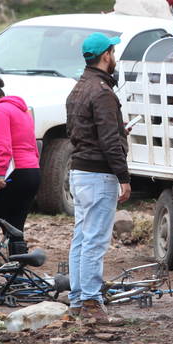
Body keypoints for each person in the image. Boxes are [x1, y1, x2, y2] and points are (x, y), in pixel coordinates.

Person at [65, 33, 131, 322]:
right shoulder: (102, 92)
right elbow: (106, 140)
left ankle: (78, 299)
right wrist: (124, 177)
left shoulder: (78, 88)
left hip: (79, 171)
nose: (114, 57)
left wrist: (116, 131)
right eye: (113, 52)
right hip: (98, 175)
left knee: (81, 237)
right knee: (95, 240)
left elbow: (80, 132)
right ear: (106, 55)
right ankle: (91, 302)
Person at [0, 75, 40, 259]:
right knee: (15, 225)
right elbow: (33, 144)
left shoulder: (1, 110)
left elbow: (3, 145)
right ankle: (17, 274)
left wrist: (0, 175)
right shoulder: (23, 110)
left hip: (13, 173)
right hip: (32, 172)